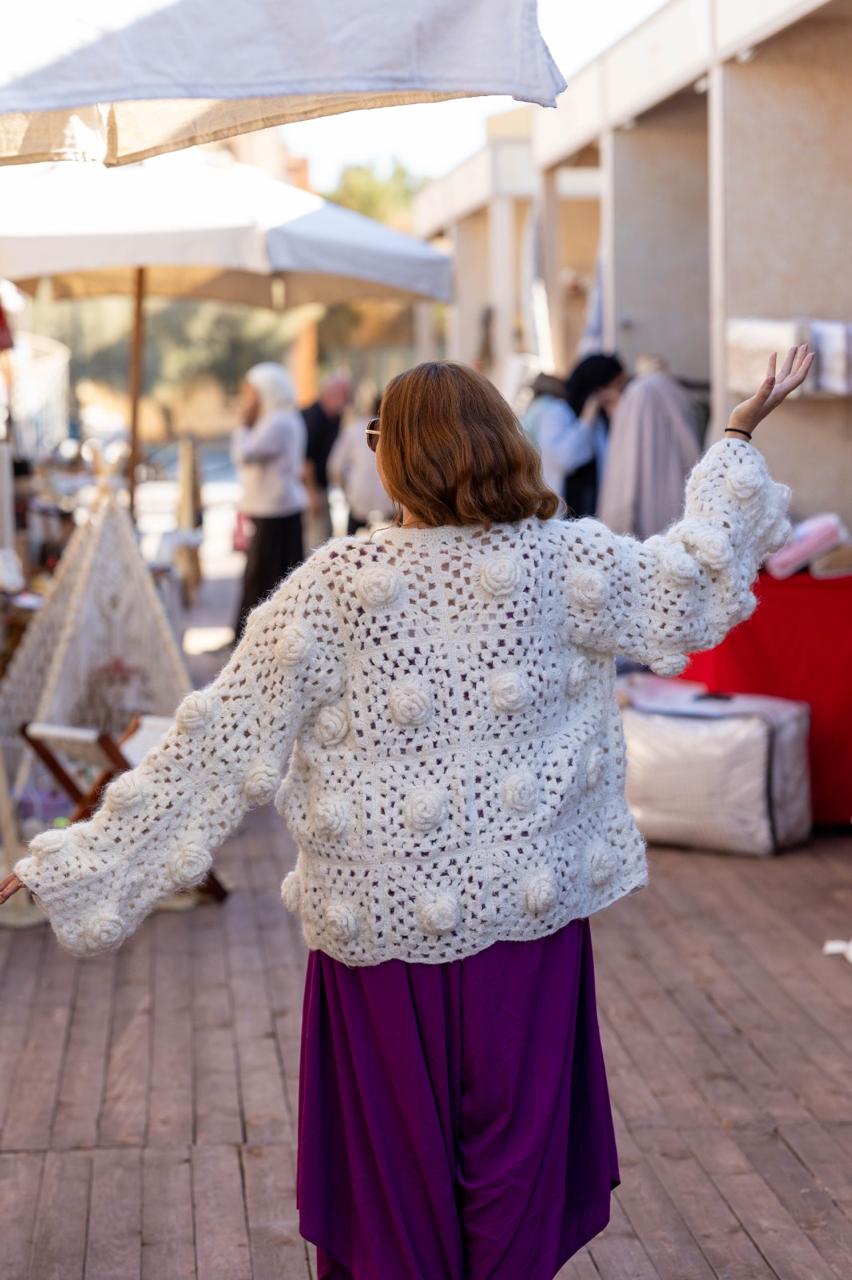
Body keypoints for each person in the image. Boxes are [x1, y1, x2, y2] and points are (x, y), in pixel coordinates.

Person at [1, 348, 812, 1280]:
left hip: (380, 945)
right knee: (514, 1180)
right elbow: (692, 585)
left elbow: (216, 746)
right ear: (500, 444)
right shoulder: (561, 560)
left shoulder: (334, 587)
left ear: (391, 461)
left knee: (393, 1199)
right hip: (526, 932)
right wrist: (736, 436)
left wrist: (74, 859)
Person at [231, 362, 307, 641]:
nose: (249, 399)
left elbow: (245, 453)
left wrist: (243, 424)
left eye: (253, 393)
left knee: (264, 581)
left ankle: (255, 638)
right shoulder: (279, 419)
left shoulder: (279, 422)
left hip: (276, 512)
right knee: (264, 579)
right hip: (274, 510)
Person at [598, 365, 702, 540]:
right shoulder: (671, 390)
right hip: (676, 491)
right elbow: (689, 447)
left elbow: (627, 466)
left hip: (644, 504)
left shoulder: (636, 395)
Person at [562, 353, 627, 516]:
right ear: (598, 387)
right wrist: (587, 418)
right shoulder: (560, 412)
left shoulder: (604, 416)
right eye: (616, 385)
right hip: (575, 509)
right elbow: (567, 459)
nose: (618, 392)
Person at [327, 380, 392, 535]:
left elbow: (335, 468)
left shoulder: (354, 429)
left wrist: (347, 491)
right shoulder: (357, 429)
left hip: (361, 500)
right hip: (386, 504)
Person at [302, 372, 352, 548]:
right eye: (345, 393)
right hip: (310, 488)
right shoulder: (313, 417)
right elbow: (306, 460)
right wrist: (312, 495)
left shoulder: (336, 417)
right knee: (315, 540)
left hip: (323, 487)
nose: (348, 398)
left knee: (326, 537)